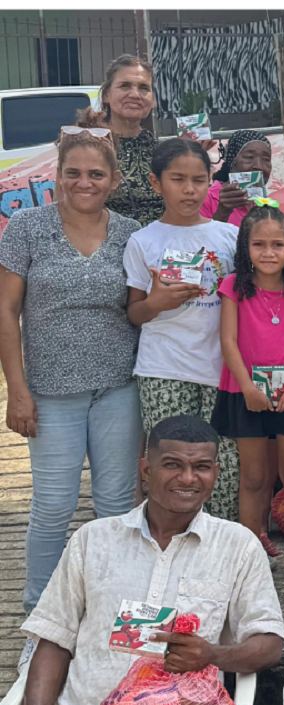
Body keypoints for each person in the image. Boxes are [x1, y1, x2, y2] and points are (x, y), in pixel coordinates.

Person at [0, 415, 284, 705]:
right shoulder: (93, 540)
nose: (188, 478)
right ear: (145, 470)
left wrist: (212, 654)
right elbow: (54, 639)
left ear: (217, 473)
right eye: (172, 465)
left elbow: (269, 643)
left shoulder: (238, 545)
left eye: (202, 467)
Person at [0, 127, 142, 615]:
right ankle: (39, 610)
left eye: (96, 174)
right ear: (57, 176)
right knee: (54, 507)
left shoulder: (129, 234)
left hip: (117, 389)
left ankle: (112, 606)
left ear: (114, 180)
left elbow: (142, 307)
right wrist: (15, 390)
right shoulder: (27, 228)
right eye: (73, 172)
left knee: (116, 507)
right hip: (50, 393)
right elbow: (6, 311)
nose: (85, 182)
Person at [125, 138, 241, 523]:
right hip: (163, 370)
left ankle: (220, 549)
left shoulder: (229, 237)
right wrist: (158, 303)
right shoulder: (143, 241)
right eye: (177, 179)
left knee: (222, 469)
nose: (189, 189)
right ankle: (168, 542)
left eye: (198, 179)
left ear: (211, 181)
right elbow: (134, 313)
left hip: (222, 370)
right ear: (156, 183)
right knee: (170, 467)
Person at [212, 203, 284, 591]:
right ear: (246, 247)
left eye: (278, 244)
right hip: (245, 394)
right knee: (254, 477)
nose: (269, 252)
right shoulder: (233, 286)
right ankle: (249, 561)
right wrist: (247, 388)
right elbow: (228, 341)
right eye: (259, 244)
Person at [76, 55, 162, 226]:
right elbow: (64, 208)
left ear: (152, 100)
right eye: (125, 86)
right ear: (106, 95)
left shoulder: (160, 151)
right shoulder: (86, 145)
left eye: (144, 88)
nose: (135, 94)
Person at [202, 130, 272, 228]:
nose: (259, 166)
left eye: (266, 159)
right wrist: (222, 213)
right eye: (249, 157)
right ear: (232, 162)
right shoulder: (205, 199)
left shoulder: (266, 206)